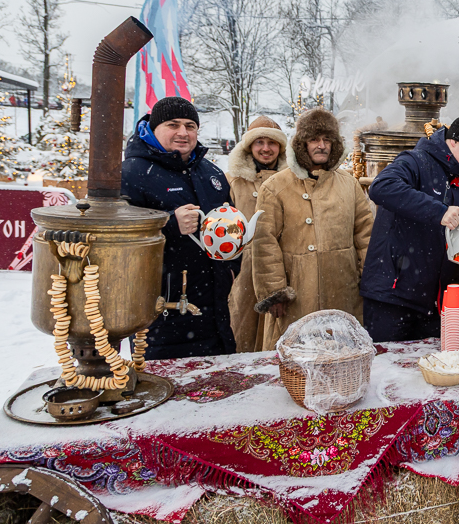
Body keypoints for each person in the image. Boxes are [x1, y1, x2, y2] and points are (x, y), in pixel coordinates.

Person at [360, 107, 459, 342]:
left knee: (429, 365)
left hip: (432, 302)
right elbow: (381, 187)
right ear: (453, 141)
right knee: (386, 363)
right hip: (391, 297)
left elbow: (454, 240)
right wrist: (439, 211)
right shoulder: (416, 161)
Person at [121, 96, 237, 359]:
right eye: (173, 125)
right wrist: (169, 225)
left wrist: (231, 269)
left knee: (215, 377)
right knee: (165, 380)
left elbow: (231, 224)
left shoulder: (212, 174)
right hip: (160, 311)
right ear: (154, 128)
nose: (183, 132)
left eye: (190, 126)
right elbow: (117, 237)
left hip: (214, 308)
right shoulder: (132, 173)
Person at [251, 108, 374, 350]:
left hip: (342, 290)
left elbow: (365, 236)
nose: (322, 146)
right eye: (314, 139)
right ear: (302, 144)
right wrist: (275, 292)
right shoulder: (275, 187)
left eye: (327, 139)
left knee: (342, 354)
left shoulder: (349, 185)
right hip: (297, 294)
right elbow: (264, 242)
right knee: (295, 356)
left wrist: (368, 281)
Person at [225, 116, 288, 352]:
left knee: (278, 333)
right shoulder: (232, 180)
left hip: (280, 265)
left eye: (272, 142)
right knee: (242, 330)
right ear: (249, 146)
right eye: (259, 142)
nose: (265, 148)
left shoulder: (291, 180)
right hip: (244, 267)